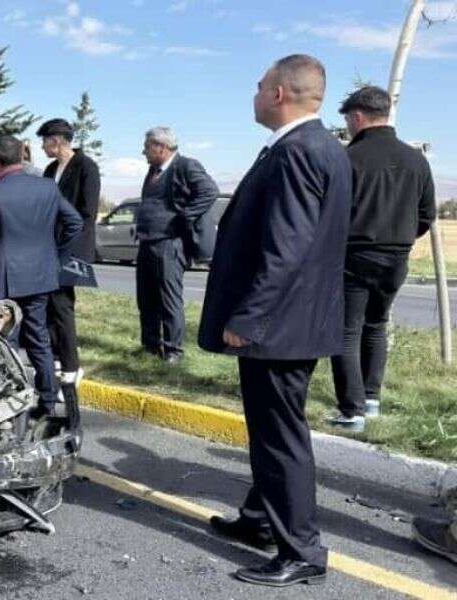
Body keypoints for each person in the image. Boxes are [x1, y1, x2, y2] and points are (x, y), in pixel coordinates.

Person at [200, 54, 350, 587]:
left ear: (280, 94)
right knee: (272, 429)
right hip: (295, 322)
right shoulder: (323, 147)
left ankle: (302, 551)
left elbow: (286, 248)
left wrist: (249, 317)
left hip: (278, 326)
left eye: (260, 85)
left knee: (280, 436)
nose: (255, 92)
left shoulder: (298, 151)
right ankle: (261, 520)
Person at [327, 86, 437, 433]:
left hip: (354, 255)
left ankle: (352, 410)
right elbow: (426, 215)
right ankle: (371, 399)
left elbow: (330, 214)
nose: (347, 126)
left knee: (345, 331)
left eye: (347, 119)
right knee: (376, 325)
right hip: (397, 258)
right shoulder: (416, 160)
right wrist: (399, 239)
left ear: (358, 116)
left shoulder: (348, 158)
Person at [0, 134, 83, 419]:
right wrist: (57, 256)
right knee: (39, 338)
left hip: (4, 281)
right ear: (22, 156)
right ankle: (46, 401)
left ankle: (8, 402)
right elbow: (74, 222)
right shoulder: (47, 187)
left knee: (5, 342)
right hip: (41, 276)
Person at [136, 126, 219, 364]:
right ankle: (150, 346)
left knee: (168, 299)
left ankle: (174, 351)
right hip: (147, 242)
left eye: (147, 147)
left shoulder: (186, 166)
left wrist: (184, 216)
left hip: (169, 245)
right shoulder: (153, 170)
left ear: (161, 147)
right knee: (147, 298)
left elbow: (209, 191)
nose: (144, 151)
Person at [37, 118, 102, 384]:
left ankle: (72, 366)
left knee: (62, 305)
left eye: (44, 141)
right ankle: (55, 358)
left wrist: (68, 248)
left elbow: (88, 213)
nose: (42, 146)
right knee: (50, 305)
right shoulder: (50, 169)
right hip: (48, 248)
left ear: (57, 140)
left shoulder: (87, 167)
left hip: (71, 248)